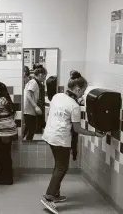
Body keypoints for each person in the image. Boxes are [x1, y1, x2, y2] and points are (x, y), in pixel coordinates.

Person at [40, 71, 106, 214]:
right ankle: (49, 197)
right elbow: (77, 129)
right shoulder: (74, 106)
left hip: (49, 135)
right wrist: (95, 133)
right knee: (62, 167)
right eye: (82, 91)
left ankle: (55, 194)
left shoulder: (58, 96)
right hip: (61, 139)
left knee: (58, 165)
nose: (82, 95)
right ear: (77, 89)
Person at [23, 66, 47, 140]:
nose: (45, 78)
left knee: (27, 130)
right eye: (44, 76)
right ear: (40, 75)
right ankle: (27, 146)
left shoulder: (35, 82)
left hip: (29, 110)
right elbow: (28, 95)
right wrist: (36, 107)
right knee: (31, 130)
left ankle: (24, 146)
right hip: (29, 110)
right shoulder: (34, 82)